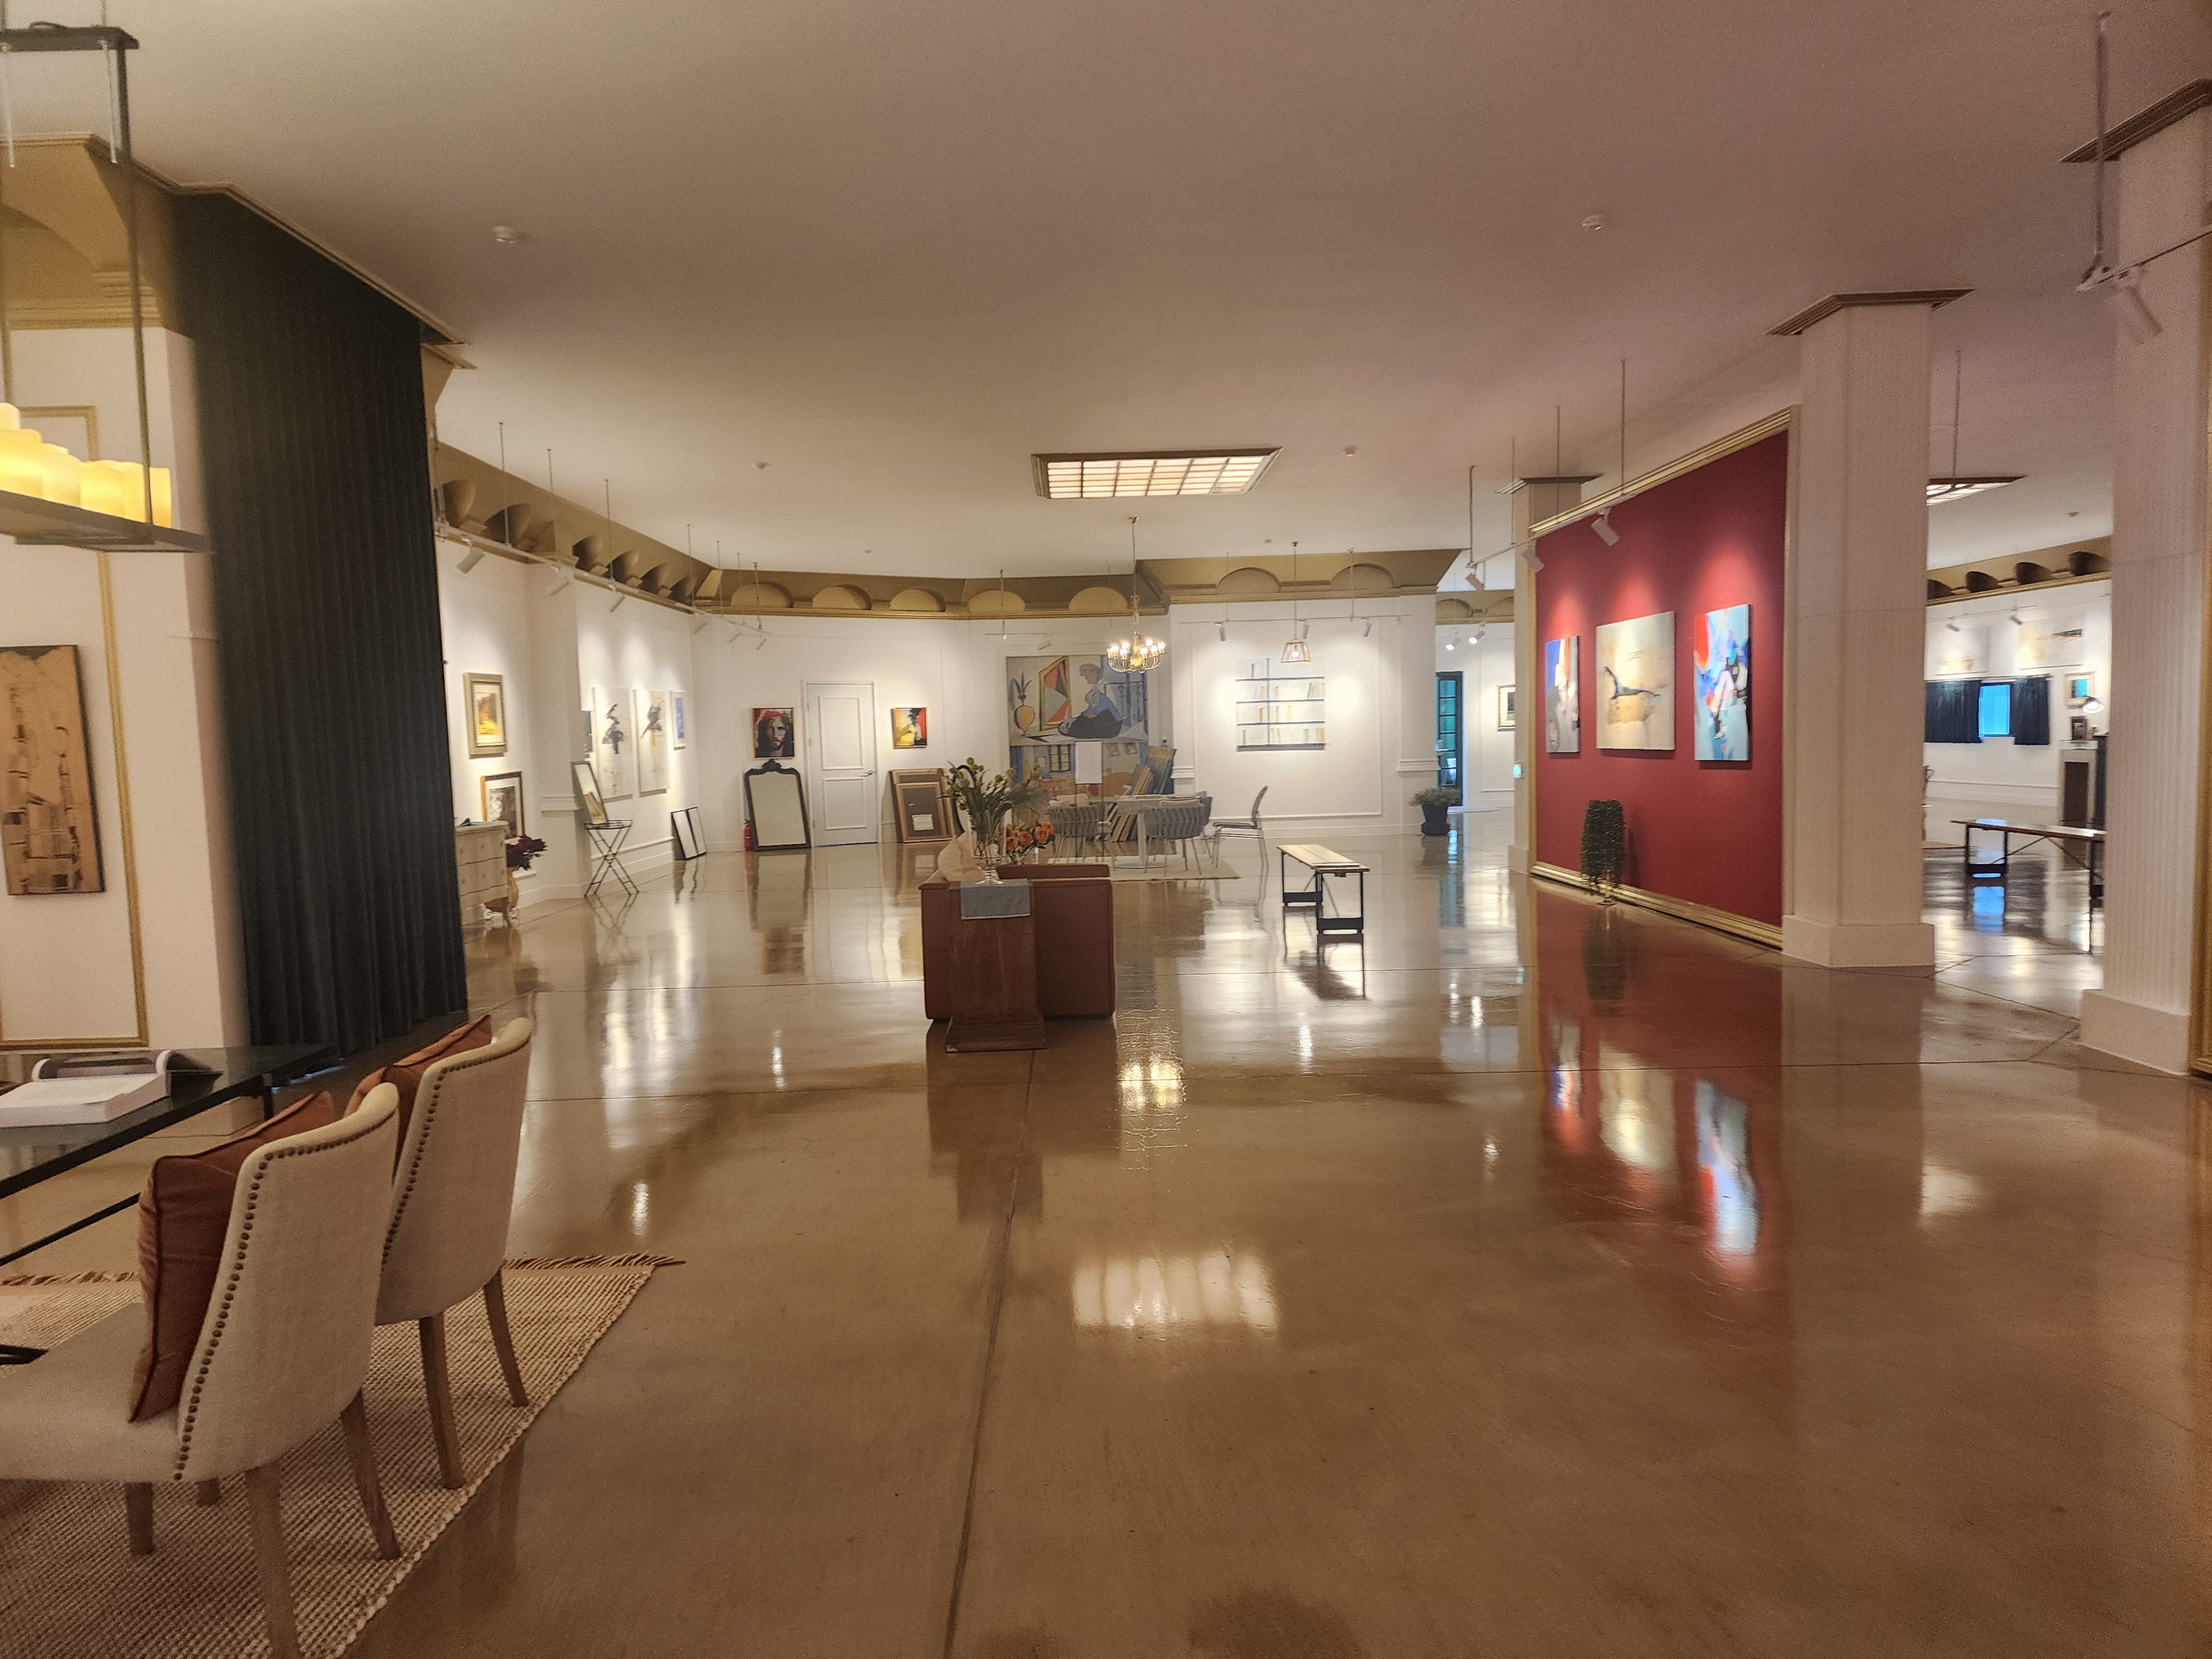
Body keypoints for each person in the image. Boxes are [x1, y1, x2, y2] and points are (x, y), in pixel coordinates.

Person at [1058, 662, 1125, 739]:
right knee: (1068, 725)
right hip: (1100, 720)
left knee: (1075, 727)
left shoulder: (1105, 687)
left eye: (1085, 674)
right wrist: (1074, 719)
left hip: (1110, 724)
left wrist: (1078, 719)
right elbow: (1091, 709)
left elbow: (1098, 712)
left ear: (1093, 672)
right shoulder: (1097, 686)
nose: (1085, 677)